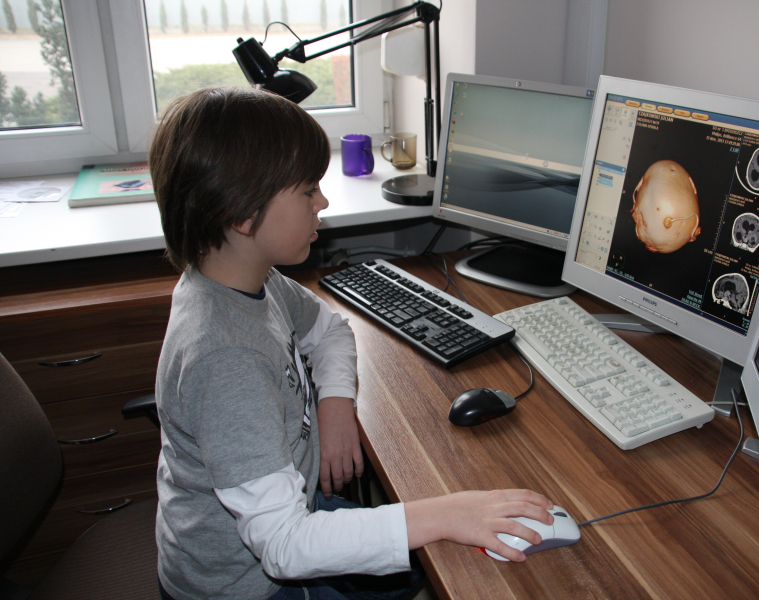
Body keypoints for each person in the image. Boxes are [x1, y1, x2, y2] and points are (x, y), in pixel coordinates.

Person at [149, 86, 555, 600]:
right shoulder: (225, 357)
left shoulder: (245, 277)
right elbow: (284, 546)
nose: (322, 202)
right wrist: (444, 513)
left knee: (416, 560)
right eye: (307, 191)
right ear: (241, 213)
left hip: (291, 508)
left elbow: (330, 329)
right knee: (444, 549)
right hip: (247, 585)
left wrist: (335, 404)